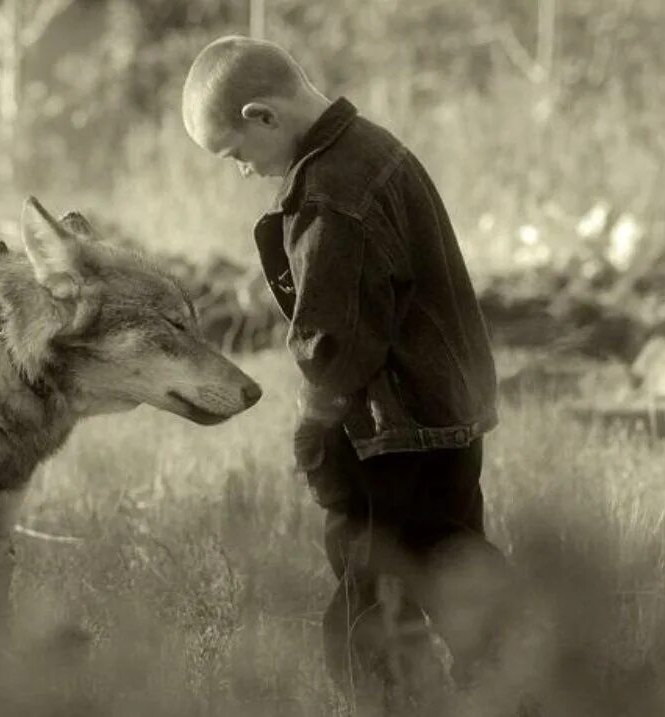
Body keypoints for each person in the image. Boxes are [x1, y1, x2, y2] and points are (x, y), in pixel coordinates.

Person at [181, 35, 512, 709]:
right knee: (452, 555)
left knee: (370, 589)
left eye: (236, 154)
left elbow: (335, 336)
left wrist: (317, 428)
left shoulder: (330, 194)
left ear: (261, 116)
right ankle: (522, 682)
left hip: (387, 427)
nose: (242, 171)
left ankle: (404, 701)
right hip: (450, 410)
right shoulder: (377, 148)